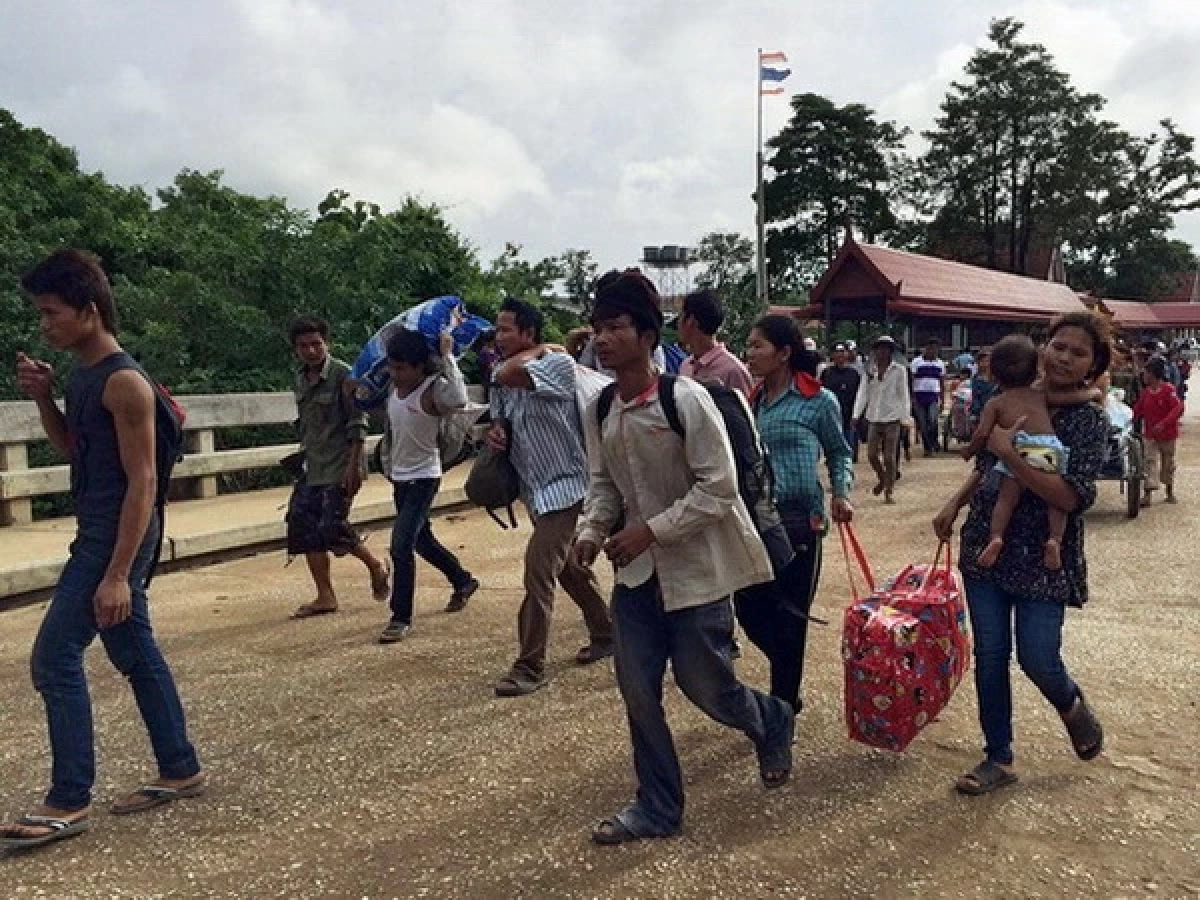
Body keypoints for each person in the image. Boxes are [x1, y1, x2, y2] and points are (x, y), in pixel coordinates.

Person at [573, 272, 794, 845]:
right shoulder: (600, 408)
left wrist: (650, 531)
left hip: (696, 575)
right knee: (638, 691)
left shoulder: (685, 400)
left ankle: (770, 718)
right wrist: (591, 532)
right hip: (636, 579)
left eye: (616, 327)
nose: (603, 339)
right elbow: (603, 484)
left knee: (707, 688)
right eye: (598, 328)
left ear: (648, 336)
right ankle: (657, 806)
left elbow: (719, 487)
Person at [2, 250, 204, 850]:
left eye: (52, 312)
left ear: (89, 311)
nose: (44, 324)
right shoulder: (84, 375)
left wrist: (117, 573)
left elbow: (144, 481)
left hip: (114, 537)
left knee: (54, 658)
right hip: (99, 530)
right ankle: (180, 766)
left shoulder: (123, 382)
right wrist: (44, 397)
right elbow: (75, 449)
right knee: (133, 649)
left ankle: (68, 799)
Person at [933, 310, 1110, 796]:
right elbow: (984, 464)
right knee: (991, 654)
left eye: (1079, 353)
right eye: (1059, 346)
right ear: (1043, 348)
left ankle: (1072, 706)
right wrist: (953, 505)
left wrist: (1012, 455)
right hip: (987, 547)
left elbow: (1071, 497)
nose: (1065, 358)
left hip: (1043, 554)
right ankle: (999, 756)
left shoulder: (1088, 419)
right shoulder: (1010, 397)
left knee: (1038, 658)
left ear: (1093, 365)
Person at [487, 297, 614, 696]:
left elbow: (511, 372)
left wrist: (543, 349)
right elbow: (502, 413)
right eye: (497, 328)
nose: (498, 336)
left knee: (538, 569)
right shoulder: (501, 378)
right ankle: (606, 632)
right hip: (535, 487)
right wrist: (497, 432)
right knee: (567, 567)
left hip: (567, 485)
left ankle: (529, 666)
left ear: (528, 333)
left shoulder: (556, 365)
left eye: (506, 329)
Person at [744, 315, 854, 711]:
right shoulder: (751, 402)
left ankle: (783, 708)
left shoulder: (819, 401)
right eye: (748, 345)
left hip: (801, 522)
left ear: (784, 353)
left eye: (757, 345)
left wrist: (841, 494)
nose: (749, 353)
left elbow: (840, 452)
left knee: (791, 616)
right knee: (749, 608)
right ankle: (787, 674)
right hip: (757, 521)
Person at [959, 335, 1098, 571]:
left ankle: (996, 537)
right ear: (1036, 370)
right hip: (1049, 448)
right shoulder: (1039, 395)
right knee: (1055, 502)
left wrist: (969, 450)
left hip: (1020, 448)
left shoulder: (996, 403)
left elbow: (982, 434)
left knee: (1006, 500)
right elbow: (1070, 398)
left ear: (993, 374)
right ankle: (1055, 539)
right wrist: (1092, 394)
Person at [377, 328, 480, 643]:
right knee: (422, 542)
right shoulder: (393, 391)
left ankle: (400, 616)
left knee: (401, 545)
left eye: (402, 368)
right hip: (400, 477)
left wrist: (448, 356)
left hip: (424, 476)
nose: (396, 374)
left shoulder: (433, 389)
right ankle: (462, 580)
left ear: (419, 366)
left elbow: (459, 399)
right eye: (392, 367)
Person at [286, 316, 391, 619]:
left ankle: (375, 565)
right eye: (303, 346)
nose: (310, 351)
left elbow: (357, 423)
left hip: (340, 464)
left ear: (327, 343)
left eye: (316, 344)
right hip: (312, 465)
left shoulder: (344, 375)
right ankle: (325, 595)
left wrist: (354, 467)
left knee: (333, 526)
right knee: (302, 525)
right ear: (295, 349)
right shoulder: (301, 379)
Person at [852, 336, 909, 504]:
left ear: (891, 351)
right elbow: (863, 393)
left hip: (892, 417)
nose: (882, 352)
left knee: (889, 458)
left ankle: (889, 490)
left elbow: (904, 394)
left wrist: (905, 418)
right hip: (874, 417)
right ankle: (883, 478)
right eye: (879, 349)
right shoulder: (870, 371)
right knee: (871, 455)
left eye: (886, 349)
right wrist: (856, 414)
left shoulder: (899, 370)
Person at [677, 289, 754, 395]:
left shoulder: (733, 370)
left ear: (691, 321)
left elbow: (745, 404)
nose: (678, 324)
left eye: (680, 317)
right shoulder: (686, 366)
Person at [1133, 355, 1184, 506]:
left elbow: (1178, 408)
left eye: (1146, 373)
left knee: (1168, 463)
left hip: (1168, 434)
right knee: (1149, 461)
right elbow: (1138, 409)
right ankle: (1147, 494)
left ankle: (1169, 491)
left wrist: (1164, 423)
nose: (1143, 376)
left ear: (1153, 374)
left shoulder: (1169, 390)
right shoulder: (1146, 392)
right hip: (1150, 434)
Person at [821, 342, 863, 463]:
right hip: (831, 417)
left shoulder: (854, 374)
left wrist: (857, 414)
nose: (840, 355)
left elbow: (859, 395)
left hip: (849, 416)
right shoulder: (827, 373)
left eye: (842, 352)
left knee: (849, 450)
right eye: (837, 352)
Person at [911, 339, 947, 456]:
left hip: (933, 396)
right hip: (919, 396)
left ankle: (933, 442)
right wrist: (912, 398)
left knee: (933, 421)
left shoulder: (940, 364)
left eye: (935, 349)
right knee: (923, 424)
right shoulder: (916, 362)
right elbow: (912, 380)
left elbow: (942, 382)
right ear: (926, 348)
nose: (933, 351)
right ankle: (927, 447)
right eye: (930, 348)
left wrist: (942, 399)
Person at [968, 346, 998, 429]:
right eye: (982, 361)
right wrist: (977, 411)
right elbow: (976, 396)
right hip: (981, 409)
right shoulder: (976, 378)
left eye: (987, 361)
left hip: (995, 407)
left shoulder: (997, 378)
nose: (985, 364)